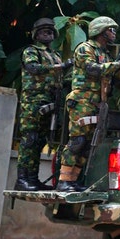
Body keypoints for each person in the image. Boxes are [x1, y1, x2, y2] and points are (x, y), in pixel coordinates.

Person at [56, 16, 120, 192]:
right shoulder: (85, 48)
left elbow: (114, 76)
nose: (114, 34)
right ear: (101, 31)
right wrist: (118, 62)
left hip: (98, 103)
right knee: (77, 141)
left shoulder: (105, 53)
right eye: (111, 30)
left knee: (89, 143)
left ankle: (73, 181)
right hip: (82, 100)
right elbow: (93, 69)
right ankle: (63, 181)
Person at [16, 18, 73, 191]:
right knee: (29, 140)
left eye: (50, 31)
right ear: (35, 34)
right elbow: (33, 68)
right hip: (33, 102)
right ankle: (22, 179)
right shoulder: (31, 51)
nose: (47, 34)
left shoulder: (54, 54)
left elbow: (59, 78)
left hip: (50, 101)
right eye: (43, 31)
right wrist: (60, 66)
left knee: (40, 141)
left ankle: (33, 179)